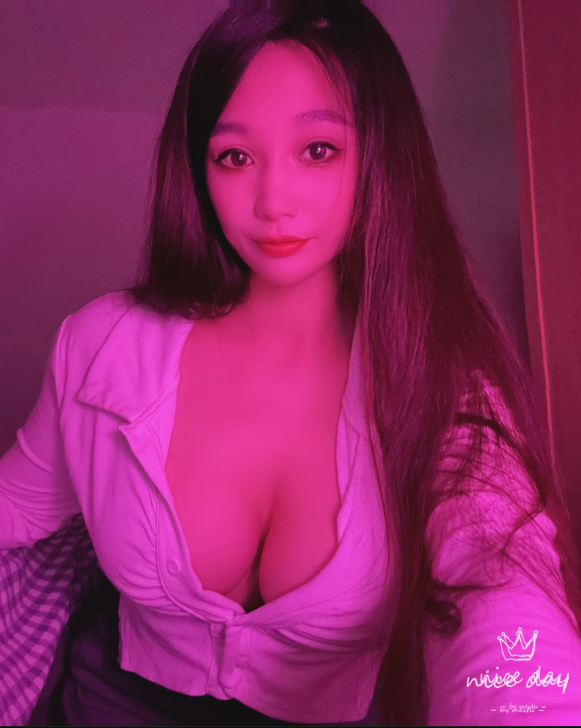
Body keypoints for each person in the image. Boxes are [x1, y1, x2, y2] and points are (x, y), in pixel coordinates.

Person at [2, 0, 581, 725]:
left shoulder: (443, 384)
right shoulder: (101, 344)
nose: (273, 201)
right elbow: (20, 506)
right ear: (198, 169)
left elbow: (499, 588)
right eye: (235, 157)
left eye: (318, 150)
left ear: (379, 157)